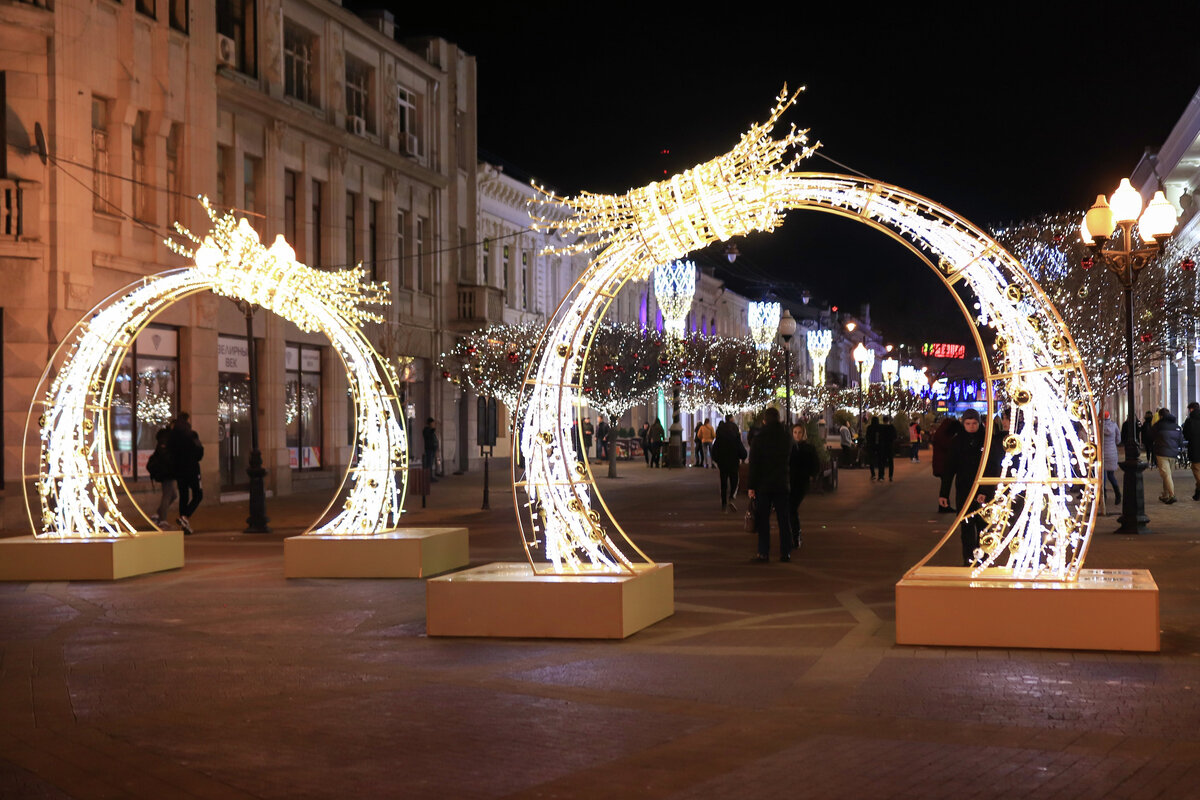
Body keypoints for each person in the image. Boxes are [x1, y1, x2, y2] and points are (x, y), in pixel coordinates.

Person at [938, 409, 1001, 566]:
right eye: (968, 424)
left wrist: (985, 491)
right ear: (963, 423)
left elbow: (993, 467)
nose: (971, 427)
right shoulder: (957, 441)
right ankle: (969, 560)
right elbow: (949, 469)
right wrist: (943, 493)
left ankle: (984, 559)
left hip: (983, 491)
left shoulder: (987, 440)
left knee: (983, 527)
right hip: (964, 490)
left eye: (974, 423)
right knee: (966, 527)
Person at [747, 407, 793, 562]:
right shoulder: (786, 437)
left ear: (764, 421)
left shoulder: (759, 439)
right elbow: (791, 459)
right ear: (779, 419)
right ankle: (785, 552)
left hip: (763, 485)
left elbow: (753, 465)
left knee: (763, 520)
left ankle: (763, 552)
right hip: (781, 483)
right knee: (783, 519)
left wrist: (751, 486)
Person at [167, 413, 203, 534]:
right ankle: (185, 517)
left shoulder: (172, 437)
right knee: (198, 494)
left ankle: (184, 522)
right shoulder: (191, 435)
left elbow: (170, 453)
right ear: (187, 420)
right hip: (192, 469)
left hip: (179, 470)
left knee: (184, 495)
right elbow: (199, 452)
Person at [789, 422, 820, 549]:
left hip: (801, 483)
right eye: (795, 432)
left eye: (799, 432)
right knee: (790, 509)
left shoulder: (808, 448)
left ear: (804, 433)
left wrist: (812, 475)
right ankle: (795, 535)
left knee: (792, 508)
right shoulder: (790, 447)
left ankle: (796, 535)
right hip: (790, 481)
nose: (797, 435)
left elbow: (815, 464)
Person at [712, 413, 746, 512]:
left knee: (723, 482)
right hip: (733, 461)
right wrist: (743, 455)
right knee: (734, 480)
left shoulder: (720, 433)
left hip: (722, 462)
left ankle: (723, 503)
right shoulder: (735, 433)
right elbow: (741, 449)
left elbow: (715, 449)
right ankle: (731, 497)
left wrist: (716, 459)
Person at [145, 427, 176, 527]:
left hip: (166, 471)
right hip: (167, 472)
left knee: (173, 495)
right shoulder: (166, 442)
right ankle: (162, 519)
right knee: (168, 495)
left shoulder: (163, 441)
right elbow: (166, 457)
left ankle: (158, 514)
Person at [930, 415, 962, 513]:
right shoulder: (944, 436)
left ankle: (944, 504)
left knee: (945, 484)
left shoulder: (941, 433)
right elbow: (948, 446)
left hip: (941, 463)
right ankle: (944, 505)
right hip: (944, 464)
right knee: (945, 485)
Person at [1152, 409, 1184, 504]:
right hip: (1173, 453)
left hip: (1162, 453)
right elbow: (1180, 440)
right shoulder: (1176, 426)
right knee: (1168, 475)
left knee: (1166, 475)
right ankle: (1165, 495)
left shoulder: (1159, 425)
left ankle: (1171, 495)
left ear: (1160, 416)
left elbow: (1150, 435)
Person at [1100, 409, 1122, 505]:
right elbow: (1118, 440)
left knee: (1103, 477)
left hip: (1102, 453)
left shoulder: (1099, 427)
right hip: (1112, 453)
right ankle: (1118, 495)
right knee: (1111, 475)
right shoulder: (1114, 425)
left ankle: (1103, 497)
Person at [1182, 401, 1200, 501]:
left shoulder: (1189, 421)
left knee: (1196, 469)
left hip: (1195, 449)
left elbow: (1186, 435)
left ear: (1191, 409)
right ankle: (1197, 493)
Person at [876, 415, 897, 481]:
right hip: (890, 446)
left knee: (882, 461)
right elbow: (895, 436)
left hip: (882, 446)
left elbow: (877, 437)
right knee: (891, 462)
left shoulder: (880, 427)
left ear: (883, 420)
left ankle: (881, 476)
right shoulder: (892, 427)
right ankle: (890, 476)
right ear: (888, 420)